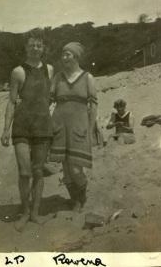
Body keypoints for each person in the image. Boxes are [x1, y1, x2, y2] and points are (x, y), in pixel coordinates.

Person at [0, 28, 53, 231]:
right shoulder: (18, 72)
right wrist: (6, 129)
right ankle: (24, 212)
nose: (35, 48)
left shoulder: (50, 70)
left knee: (38, 172)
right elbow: (12, 102)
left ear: (43, 48)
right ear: (26, 47)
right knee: (24, 172)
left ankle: (35, 213)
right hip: (21, 127)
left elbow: (50, 97)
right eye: (31, 45)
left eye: (39, 45)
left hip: (42, 127)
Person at [50, 42, 97, 212]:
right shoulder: (57, 78)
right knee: (66, 170)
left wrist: (91, 130)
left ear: (76, 56)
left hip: (79, 129)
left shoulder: (87, 77)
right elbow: (48, 102)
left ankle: (82, 196)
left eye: (68, 54)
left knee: (76, 170)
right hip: (60, 128)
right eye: (63, 54)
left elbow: (93, 106)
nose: (64, 58)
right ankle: (75, 200)